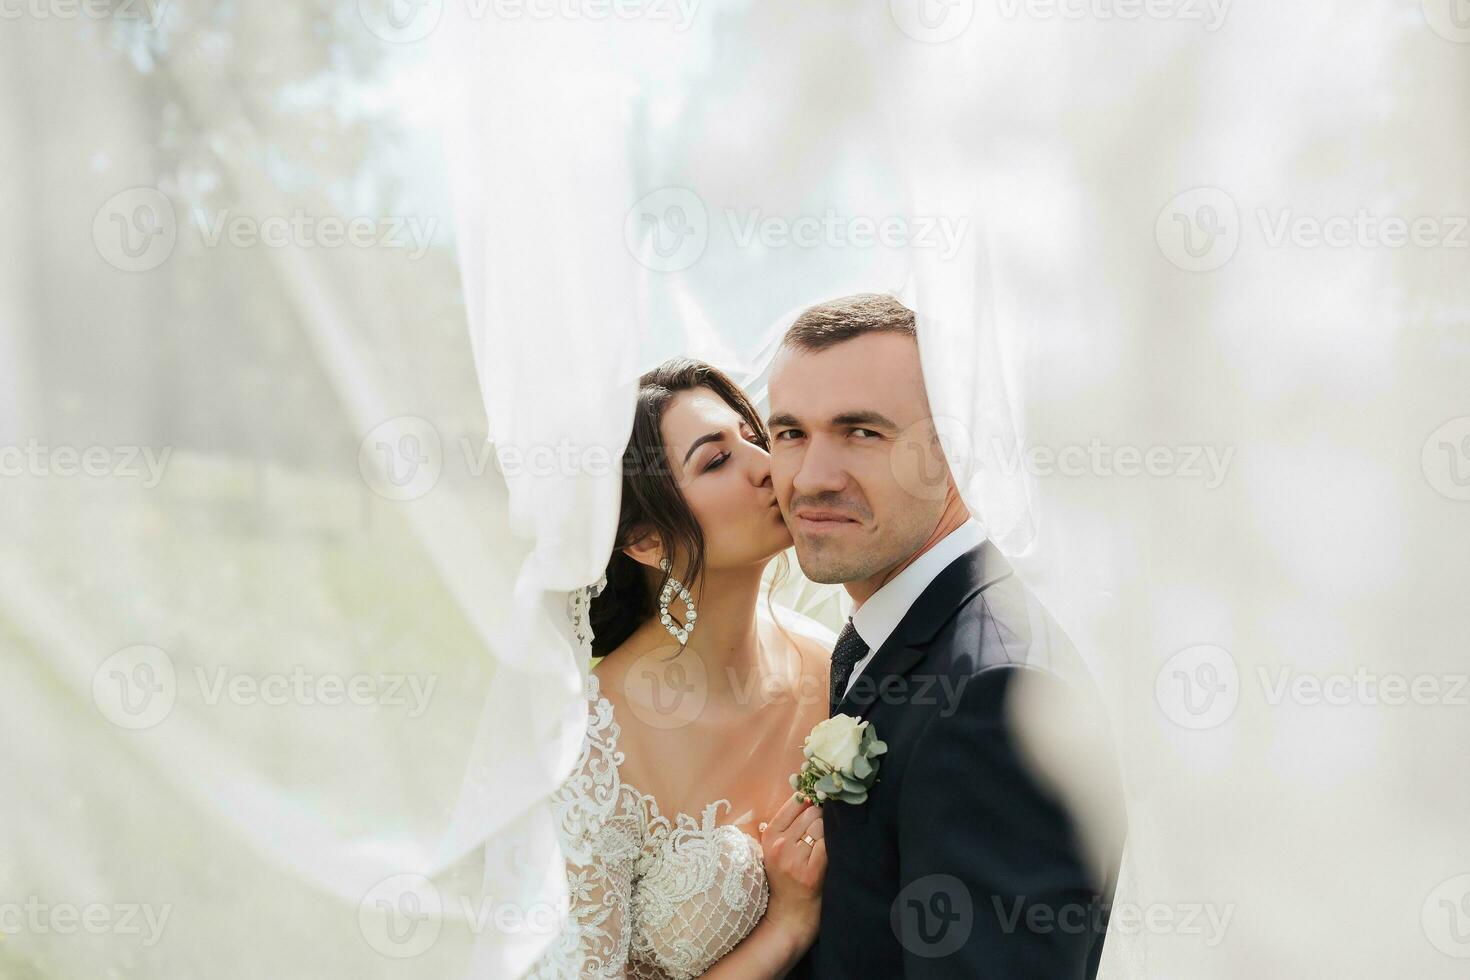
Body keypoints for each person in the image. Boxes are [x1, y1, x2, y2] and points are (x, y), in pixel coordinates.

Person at [767, 294, 1126, 979]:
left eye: (861, 433)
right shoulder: (896, 631)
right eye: (789, 433)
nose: (812, 478)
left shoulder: (995, 696)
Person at [529, 358, 835, 979]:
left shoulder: (830, 664)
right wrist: (788, 926)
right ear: (645, 542)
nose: (766, 466)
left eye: (754, 437)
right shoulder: (589, 744)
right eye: (716, 460)